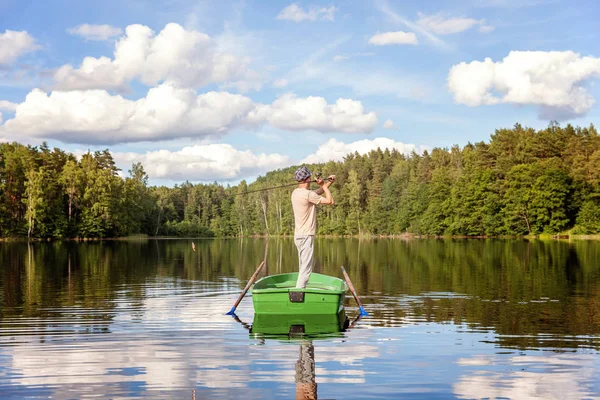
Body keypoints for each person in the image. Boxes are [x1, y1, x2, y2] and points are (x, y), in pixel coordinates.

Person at [291, 166, 335, 289]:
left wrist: (328, 183)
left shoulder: (296, 193)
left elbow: (317, 193)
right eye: (310, 177)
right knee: (306, 269)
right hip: (306, 236)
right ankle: (298, 294)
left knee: (303, 266)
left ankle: (299, 290)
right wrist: (324, 186)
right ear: (307, 179)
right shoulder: (308, 194)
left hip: (298, 236)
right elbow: (330, 201)